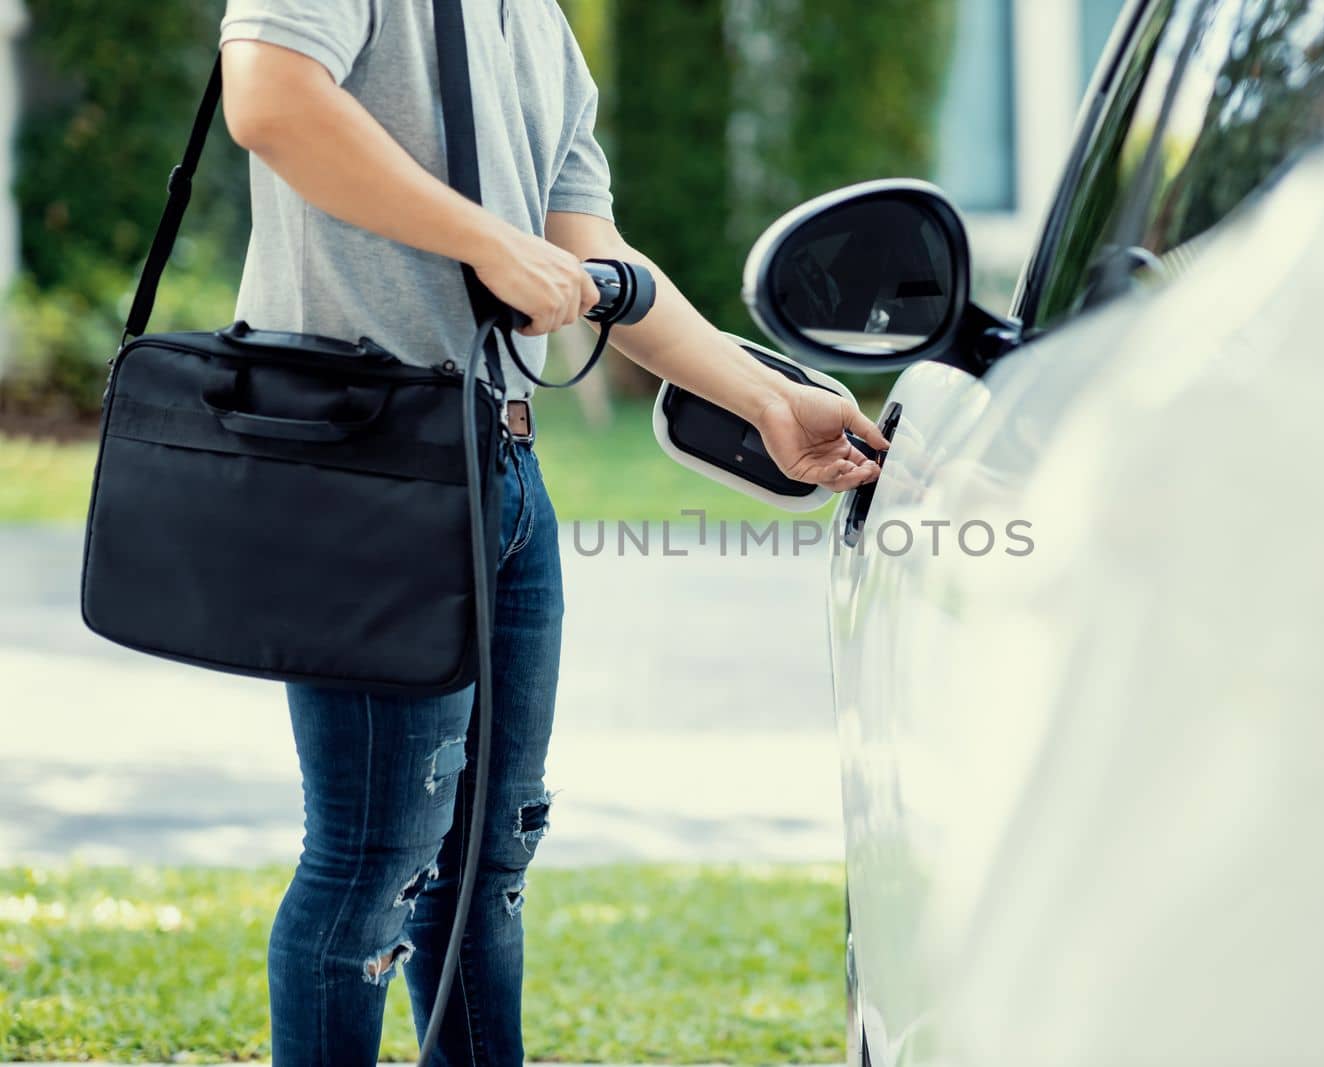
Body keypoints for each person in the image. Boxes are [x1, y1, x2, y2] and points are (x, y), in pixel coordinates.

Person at [216, 1, 889, 1061]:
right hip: (365, 458)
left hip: (503, 465)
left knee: (491, 853)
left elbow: (588, 248)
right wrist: (488, 242)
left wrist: (764, 398)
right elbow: (268, 95)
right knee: (371, 858)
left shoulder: (534, 20)